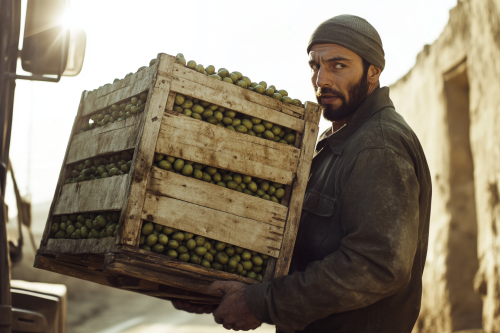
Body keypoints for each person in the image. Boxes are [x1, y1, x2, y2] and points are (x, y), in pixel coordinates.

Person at [172, 14, 432, 333]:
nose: (321, 79)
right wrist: (224, 291)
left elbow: (376, 266)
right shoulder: (333, 142)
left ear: (373, 72)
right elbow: (307, 252)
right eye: (315, 66)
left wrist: (261, 304)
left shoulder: (378, 146)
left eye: (338, 65)